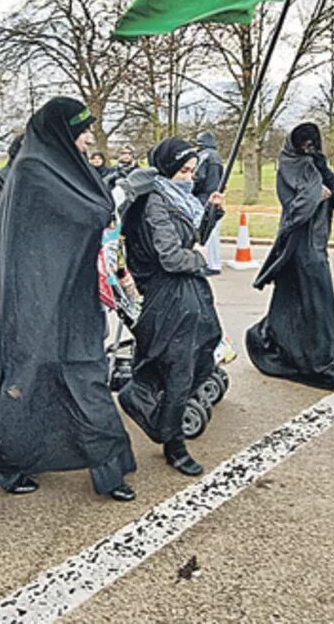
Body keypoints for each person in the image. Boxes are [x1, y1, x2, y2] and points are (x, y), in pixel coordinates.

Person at [0, 97, 137, 506]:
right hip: (33, 303)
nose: (89, 136)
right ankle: (11, 464)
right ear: (61, 131)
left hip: (72, 299)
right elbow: (90, 213)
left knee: (88, 379)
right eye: (81, 129)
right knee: (26, 385)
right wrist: (120, 196)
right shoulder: (34, 173)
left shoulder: (67, 170)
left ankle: (108, 468)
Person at [119, 137, 226, 476]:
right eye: (183, 170)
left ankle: (144, 399)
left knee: (202, 354)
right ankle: (173, 443)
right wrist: (197, 259)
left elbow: (192, 238)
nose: (189, 177)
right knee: (178, 368)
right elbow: (171, 256)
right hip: (167, 298)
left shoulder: (178, 199)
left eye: (193, 171)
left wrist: (212, 213)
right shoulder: (154, 203)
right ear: (166, 169)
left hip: (189, 293)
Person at [246, 123, 334, 393]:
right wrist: (316, 196)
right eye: (304, 143)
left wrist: (325, 172)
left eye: (312, 143)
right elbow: (296, 210)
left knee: (294, 305)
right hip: (302, 248)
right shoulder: (289, 166)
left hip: (315, 246)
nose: (308, 148)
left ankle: (273, 347)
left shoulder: (314, 164)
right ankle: (326, 371)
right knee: (319, 310)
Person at [191, 131, 225, 275]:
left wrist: (191, 189)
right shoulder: (216, 157)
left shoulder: (204, 156)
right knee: (214, 230)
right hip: (215, 196)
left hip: (203, 198)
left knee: (205, 231)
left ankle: (209, 264)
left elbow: (198, 177)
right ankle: (214, 262)